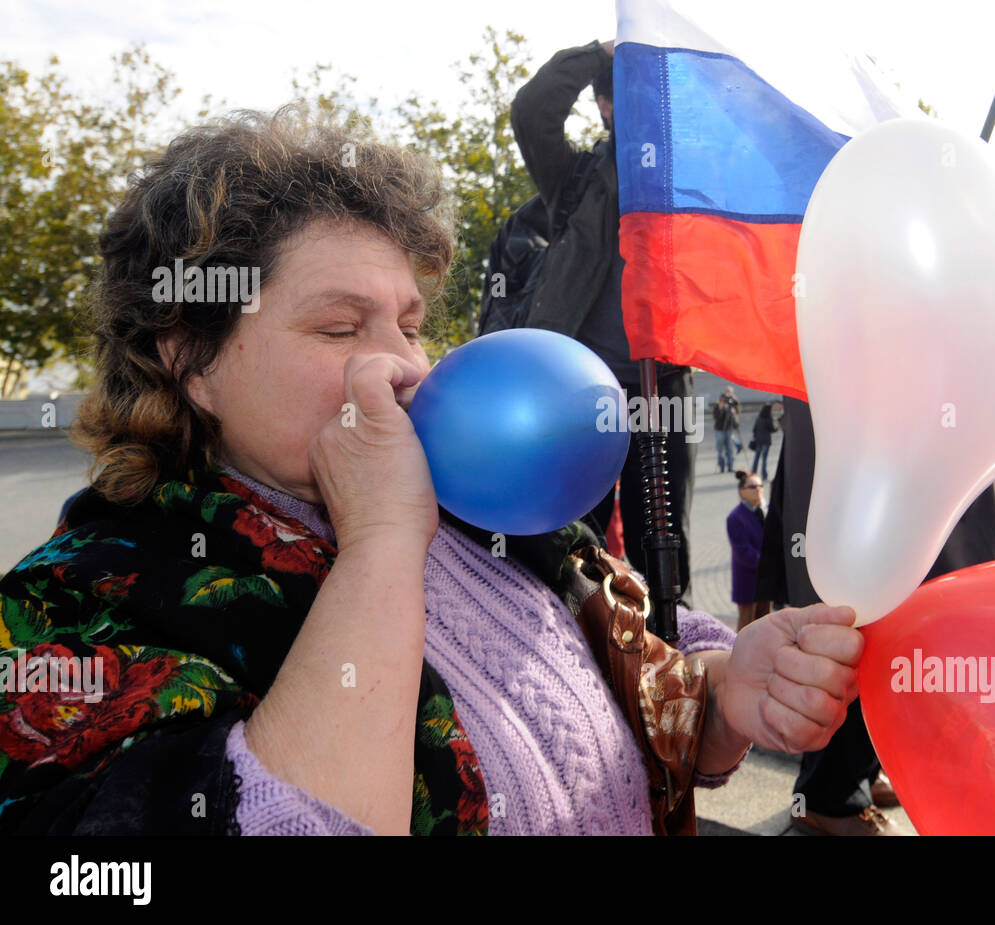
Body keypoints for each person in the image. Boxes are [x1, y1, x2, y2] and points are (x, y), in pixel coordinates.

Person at [0, 109, 867, 836]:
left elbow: (648, 699)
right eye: (340, 329)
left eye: (410, 326)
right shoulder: (81, 600)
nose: (405, 366)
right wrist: (379, 543)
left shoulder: (495, 511)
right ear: (191, 355)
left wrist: (728, 694)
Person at [755, 398, 995, 836]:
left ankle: (864, 768)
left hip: (914, 399)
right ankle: (828, 793)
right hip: (865, 393)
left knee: (915, 581)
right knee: (856, 590)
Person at [512, 40, 698, 603]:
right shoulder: (573, 178)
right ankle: (575, 650)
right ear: (604, 105)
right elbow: (533, 111)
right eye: (624, 95)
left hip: (661, 385)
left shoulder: (683, 173)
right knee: (572, 539)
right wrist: (598, 54)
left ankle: (669, 648)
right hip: (578, 385)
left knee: (663, 544)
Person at [727, 472, 771, 631]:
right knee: (747, 624)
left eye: (760, 485)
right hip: (748, 580)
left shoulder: (768, 510)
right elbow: (742, 551)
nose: (757, 489)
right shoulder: (735, 517)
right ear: (742, 491)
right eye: (752, 486)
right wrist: (766, 562)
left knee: (766, 621)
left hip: (766, 580)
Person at [750, 402, 777, 481]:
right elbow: (772, 429)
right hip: (766, 440)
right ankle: (764, 474)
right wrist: (777, 428)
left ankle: (753, 472)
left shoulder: (758, 418)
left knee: (756, 457)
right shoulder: (768, 419)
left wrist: (755, 437)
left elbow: (754, 429)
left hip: (758, 440)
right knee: (764, 458)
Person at [712, 395, 738, 473]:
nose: (723, 402)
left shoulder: (729, 408)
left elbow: (732, 419)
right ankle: (722, 466)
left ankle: (730, 466)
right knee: (720, 449)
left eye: (724, 401)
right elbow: (717, 417)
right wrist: (720, 409)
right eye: (722, 401)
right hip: (719, 430)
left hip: (728, 430)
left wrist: (732, 413)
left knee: (730, 449)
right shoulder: (717, 407)